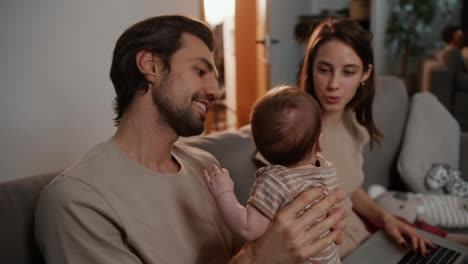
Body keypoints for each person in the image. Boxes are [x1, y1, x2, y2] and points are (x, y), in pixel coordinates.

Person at [35, 15, 346, 264]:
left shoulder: (205, 166)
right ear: (151, 65)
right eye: (201, 70)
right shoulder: (76, 201)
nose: (216, 90)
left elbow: (256, 242)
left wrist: (310, 237)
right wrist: (259, 258)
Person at [298, 17, 438, 258]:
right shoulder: (294, 131)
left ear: (365, 74)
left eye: (348, 72)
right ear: (310, 69)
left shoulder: (353, 126)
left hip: (363, 238)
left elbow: (350, 189)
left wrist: (387, 219)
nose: (333, 84)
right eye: (324, 69)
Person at [204, 86, 341, 264]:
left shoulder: (274, 181)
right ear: (319, 142)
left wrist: (224, 193)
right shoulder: (327, 170)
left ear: (261, 149)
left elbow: (248, 228)